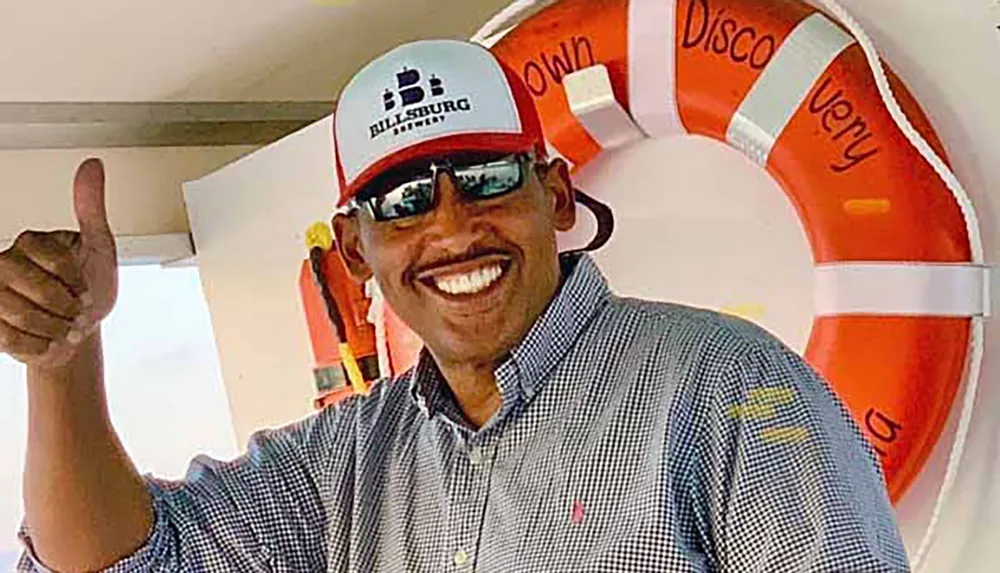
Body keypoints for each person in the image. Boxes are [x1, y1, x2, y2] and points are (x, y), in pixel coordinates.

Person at [6, 39, 909, 573]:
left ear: (554, 197)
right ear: (356, 250)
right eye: (402, 201)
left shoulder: (732, 391)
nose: (452, 226)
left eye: (483, 178)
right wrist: (64, 361)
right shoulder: (343, 465)